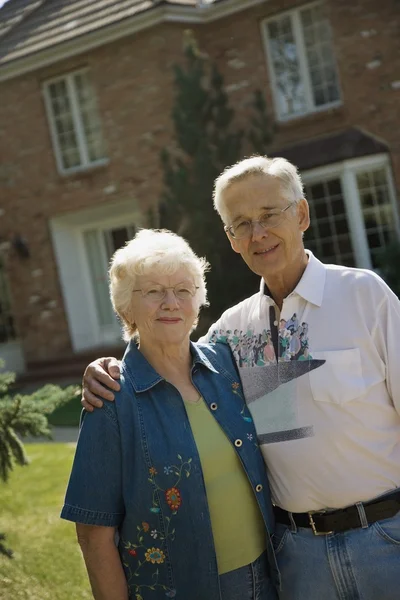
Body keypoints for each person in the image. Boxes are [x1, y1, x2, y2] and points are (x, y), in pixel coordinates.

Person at [82, 156, 400, 600]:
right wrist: (106, 368)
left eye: (269, 216)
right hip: (296, 560)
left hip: (385, 539)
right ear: (231, 239)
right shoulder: (232, 331)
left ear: (302, 214)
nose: (258, 234)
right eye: (241, 224)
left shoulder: (366, 296)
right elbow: (165, 346)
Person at [61, 229, 279, 600]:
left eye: (183, 290)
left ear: (198, 300)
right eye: (153, 291)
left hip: (267, 576)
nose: (171, 303)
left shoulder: (227, 364)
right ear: (125, 306)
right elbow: (93, 534)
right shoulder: (112, 399)